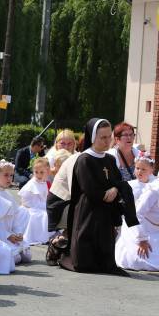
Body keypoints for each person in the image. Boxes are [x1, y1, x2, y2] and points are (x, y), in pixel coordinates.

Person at [60, 118, 139, 276]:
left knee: (105, 255)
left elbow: (118, 181)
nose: (107, 141)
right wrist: (106, 193)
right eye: (103, 137)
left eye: (109, 136)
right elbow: (89, 189)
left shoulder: (110, 159)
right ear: (93, 137)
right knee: (84, 262)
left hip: (106, 213)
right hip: (88, 212)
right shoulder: (84, 159)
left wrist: (116, 188)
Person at [115, 156, 159, 271]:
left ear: (151, 170)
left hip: (151, 224)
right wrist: (141, 237)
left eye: (143, 169)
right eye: (137, 168)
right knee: (137, 257)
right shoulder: (130, 185)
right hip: (133, 222)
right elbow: (137, 212)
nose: (139, 171)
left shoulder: (154, 184)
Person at [0, 160, 31, 263]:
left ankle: (15, 245)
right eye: (6, 175)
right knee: (16, 258)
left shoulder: (8, 195)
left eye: (11, 175)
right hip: (0, 235)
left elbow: (16, 217)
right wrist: (7, 235)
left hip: (10, 233)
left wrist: (18, 233)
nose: (9, 178)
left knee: (27, 256)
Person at [18, 157, 53, 245]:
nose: (38, 175)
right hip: (31, 207)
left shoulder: (45, 183)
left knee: (51, 213)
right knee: (43, 215)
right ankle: (41, 237)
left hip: (41, 206)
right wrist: (42, 206)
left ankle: (49, 235)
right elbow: (26, 200)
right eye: (36, 172)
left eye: (42, 172)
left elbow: (45, 197)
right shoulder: (32, 184)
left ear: (47, 172)